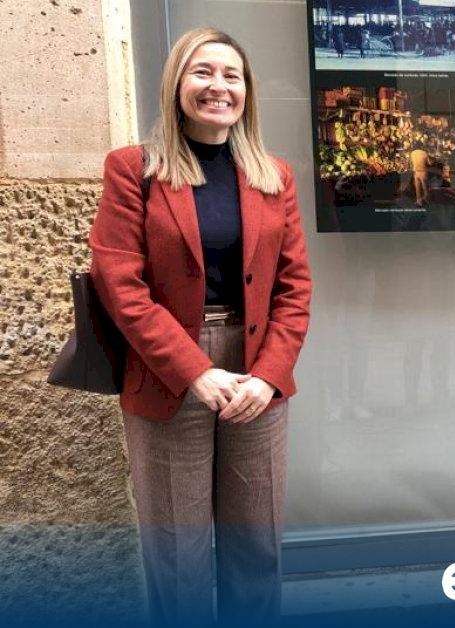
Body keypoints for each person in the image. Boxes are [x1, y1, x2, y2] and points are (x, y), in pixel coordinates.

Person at [88, 28, 312, 626]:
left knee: (255, 545)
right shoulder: (134, 169)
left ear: (247, 91)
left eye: (231, 75)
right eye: (203, 72)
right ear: (177, 85)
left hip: (257, 371)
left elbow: (294, 288)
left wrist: (268, 375)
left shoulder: (273, 176)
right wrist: (194, 370)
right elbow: (118, 283)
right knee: (178, 552)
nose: (219, 86)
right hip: (168, 369)